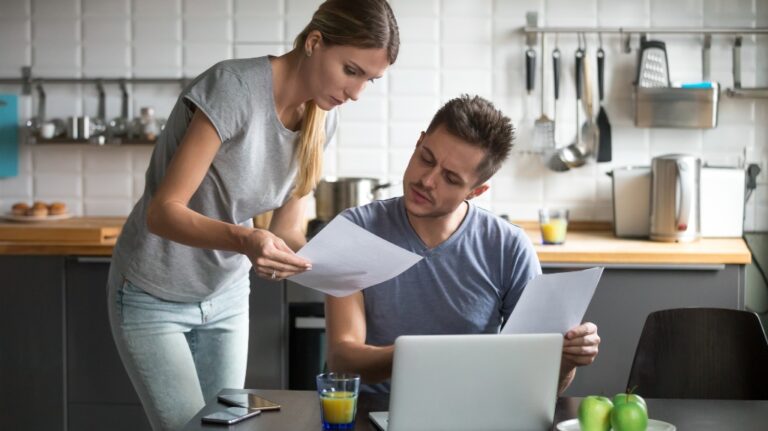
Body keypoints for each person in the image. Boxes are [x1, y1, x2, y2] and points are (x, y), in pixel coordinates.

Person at [106, 1, 399, 429]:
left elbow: (287, 230)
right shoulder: (233, 88)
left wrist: (344, 266)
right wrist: (247, 241)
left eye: (369, 80)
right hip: (153, 293)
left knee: (227, 428)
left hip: (224, 295)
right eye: (351, 71)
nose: (356, 92)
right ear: (315, 42)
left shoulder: (323, 120)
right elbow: (163, 213)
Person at [325, 95, 600, 394]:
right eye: (426, 159)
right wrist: (425, 355)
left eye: (451, 179)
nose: (427, 181)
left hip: (472, 413)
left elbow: (538, 383)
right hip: (368, 413)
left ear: (476, 191)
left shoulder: (509, 247)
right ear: (419, 143)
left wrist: (566, 359)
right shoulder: (357, 230)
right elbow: (343, 359)